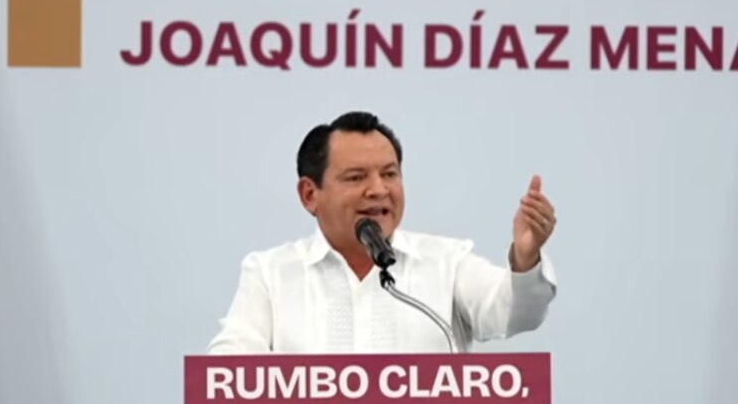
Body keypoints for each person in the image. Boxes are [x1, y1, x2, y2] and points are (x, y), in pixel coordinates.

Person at [207, 111, 557, 355]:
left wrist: (525, 260)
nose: (379, 190)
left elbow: (514, 313)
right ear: (310, 195)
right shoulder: (270, 273)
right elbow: (228, 372)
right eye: (356, 178)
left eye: (390, 174)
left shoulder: (446, 263)